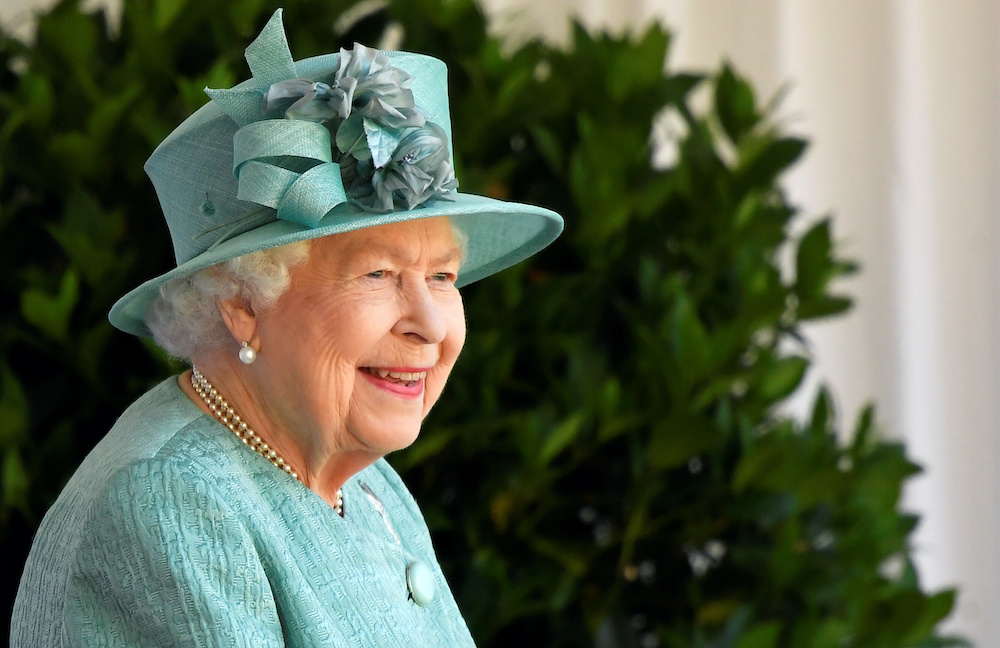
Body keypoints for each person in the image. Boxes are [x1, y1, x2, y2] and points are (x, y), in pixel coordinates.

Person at [11, 9, 562, 646]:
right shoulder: (172, 506)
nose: (432, 325)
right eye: (378, 275)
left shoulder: (361, 475)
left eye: (442, 277)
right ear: (244, 303)